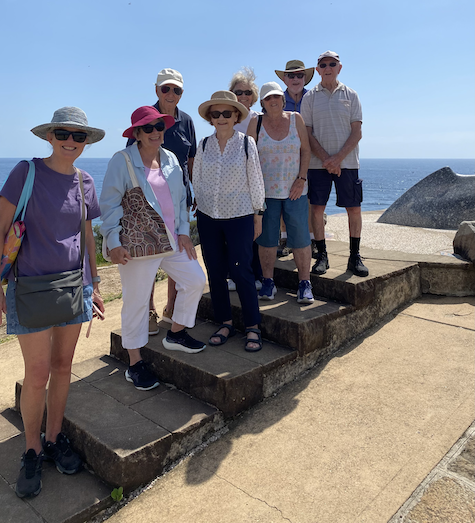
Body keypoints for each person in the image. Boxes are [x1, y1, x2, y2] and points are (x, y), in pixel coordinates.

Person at [0, 107, 105, 498]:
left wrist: (95, 284)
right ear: (49, 136)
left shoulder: (85, 181)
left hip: (74, 287)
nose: (70, 141)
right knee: (38, 373)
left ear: (86, 141)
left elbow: (87, 237)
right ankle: (31, 449)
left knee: (63, 367)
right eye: (63, 133)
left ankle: (54, 436)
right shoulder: (25, 173)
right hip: (29, 287)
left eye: (79, 136)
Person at [100, 106, 206, 390]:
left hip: (170, 239)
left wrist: (183, 232)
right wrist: (113, 243)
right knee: (136, 303)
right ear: (136, 133)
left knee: (195, 280)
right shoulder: (122, 161)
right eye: (148, 128)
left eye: (159, 127)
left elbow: (180, 200)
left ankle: (176, 333)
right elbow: (109, 205)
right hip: (137, 245)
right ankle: (134, 363)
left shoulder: (170, 158)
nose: (155, 132)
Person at [193, 91, 265, 351]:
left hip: (239, 216)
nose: (221, 117)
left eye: (227, 113)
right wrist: (198, 205)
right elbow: (197, 179)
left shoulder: (247, 143)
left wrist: (258, 214)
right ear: (210, 118)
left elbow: (255, 179)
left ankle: (253, 326)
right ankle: (225, 322)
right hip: (208, 217)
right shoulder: (203, 145)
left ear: (236, 116)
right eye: (216, 113)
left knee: (241, 271)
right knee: (215, 271)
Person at [127, 69, 197, 335]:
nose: (171, 94)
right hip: (148, 204)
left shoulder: (187, 121)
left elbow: (191, 159)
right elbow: (130, 159)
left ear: (182, 93)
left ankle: (171, 307)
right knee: (148, 258)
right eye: (166, 89)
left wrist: (193, 192)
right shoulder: (145, 117)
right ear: (156, 90)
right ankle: (149, 311)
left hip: (179, 199)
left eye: (176, 90)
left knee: (177, 253)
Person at [301, 51, 368, 277]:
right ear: (317, 70)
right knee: (316, 208)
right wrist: (327, 159)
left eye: (332, 64)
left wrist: (337, 159)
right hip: (317, 165)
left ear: (339, 68)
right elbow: (307, 133)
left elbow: (357, 132)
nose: (327, 68)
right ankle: (322, 256)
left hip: (347, 163)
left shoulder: (351, 95)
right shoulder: (310, 98)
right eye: (323, 65)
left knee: (354, 209)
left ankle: (354, 257)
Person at [248, 82, 314, 304]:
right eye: (268, 98)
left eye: (276, 96)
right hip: (266, 194)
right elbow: (249, 157)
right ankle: (268, 281)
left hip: (295, 191)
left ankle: (304, 283)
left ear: (283, 99)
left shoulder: (296, 119)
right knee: (266, 240)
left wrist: (301, 179)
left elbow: (306, 151)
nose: (273, 101)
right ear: (262, 102)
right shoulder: (256, 123)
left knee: (301, 238)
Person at [275, 59, 319, 258]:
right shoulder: (277, 99)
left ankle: (311, 239)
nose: (295, 79)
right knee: (284, 196)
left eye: (299, 75)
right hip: (284, 158)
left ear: (305, 78)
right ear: (285, 79)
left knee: (309, 200)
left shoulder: (313, 98)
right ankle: (285, 238)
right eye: (291, 76)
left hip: (312, 156)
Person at [228, 67, 262, 291]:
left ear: (254, 96)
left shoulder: (258, 118)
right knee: (232, 233)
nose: (243, 96)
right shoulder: (226, 117)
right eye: (238, 92)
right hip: (230, 184)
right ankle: (233, 275)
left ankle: (255, 275)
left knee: (253, 232)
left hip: (252, 183)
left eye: (247, 92)